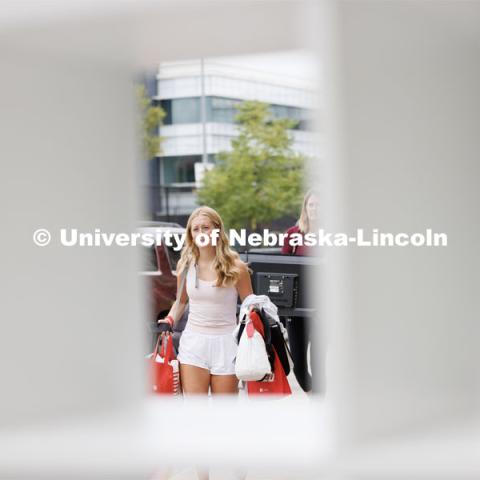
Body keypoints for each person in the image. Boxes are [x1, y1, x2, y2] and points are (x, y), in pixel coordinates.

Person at [158, 205, 253, 396]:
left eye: (206, 227)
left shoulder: (236, 267)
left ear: (217, 230)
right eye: (196, 229)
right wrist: (169, 319)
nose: (201, 232)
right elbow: (181, 302)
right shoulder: (186, 265)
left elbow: (249, 304)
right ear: (191, 234)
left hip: (227, 344)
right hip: (194, 343)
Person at [280, 190, 319, 393]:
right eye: (311, 205)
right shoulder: (293, 234)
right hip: (297, 307)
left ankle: (321, 398)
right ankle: (312, 392)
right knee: (299, 361)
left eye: (319, 205)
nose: (314, 209)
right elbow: (282, 269)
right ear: (305, 208)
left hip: (323, 307)